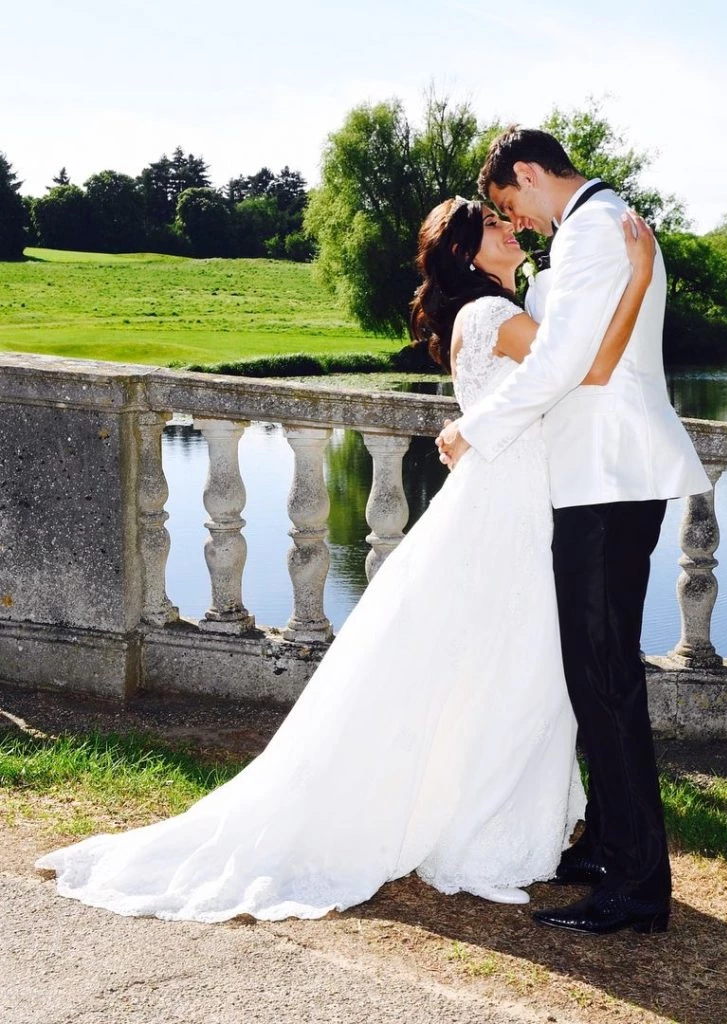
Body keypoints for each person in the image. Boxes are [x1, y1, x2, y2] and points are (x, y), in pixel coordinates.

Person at [33, 197, 658, 923]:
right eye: (493, 224)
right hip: (510, 509)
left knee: (499, 664)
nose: (510, 228)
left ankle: (487, 814)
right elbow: (583, 370)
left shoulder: (487, 314)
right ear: (464, 254)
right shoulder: (492, 318)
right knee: (514, 663)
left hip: (506, 500)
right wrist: (637, 276)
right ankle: (478, 826)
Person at [437, 128, 711, 936]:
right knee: (596, 675)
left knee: (605, 676)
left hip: (609, 475)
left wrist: (471, 429)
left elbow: (565, 368)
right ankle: (609, 847)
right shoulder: (595, 230)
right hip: (593, 476)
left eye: (507, 201)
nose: (510, 217)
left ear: (526, 173)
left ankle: (635, 886)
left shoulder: (595, 230)